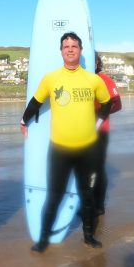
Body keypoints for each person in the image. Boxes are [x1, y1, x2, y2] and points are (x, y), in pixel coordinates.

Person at [20, 32, 112, 253]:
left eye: (74, 46)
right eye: (66, 46)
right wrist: (24, 120)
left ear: (81, 50)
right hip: (59, 151)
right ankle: (43, 239)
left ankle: (88, 236)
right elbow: (35, 102)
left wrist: (97, 125)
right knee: (54, 196)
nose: (70, 49)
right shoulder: (51, 79)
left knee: (87, 196)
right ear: (61, 51)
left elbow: (107, 103)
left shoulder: (93, 80)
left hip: (88, 150)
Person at [94, 52, 122, 217]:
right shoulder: (81, 79)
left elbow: (117, 104)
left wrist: (100, 112)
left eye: (94, 59)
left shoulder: (104, 80)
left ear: (98, 62)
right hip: (81, 132)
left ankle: (99, 205)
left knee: (97, 169)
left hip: (100, 131)